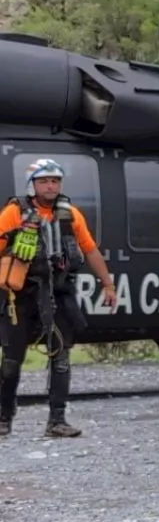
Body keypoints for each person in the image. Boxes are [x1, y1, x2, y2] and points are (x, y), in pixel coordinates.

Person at [0, 158, 117, 438]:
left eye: (55, 180)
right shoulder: (14, 213)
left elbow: (89, 250)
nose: (50, 186)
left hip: (59, 293)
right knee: (11, 360)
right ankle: (3, 418)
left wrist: (107, 284)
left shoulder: (71, 214)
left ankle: (57, 420)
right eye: (44, 181)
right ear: (33, 185)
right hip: (21, 296)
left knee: (61, 357)